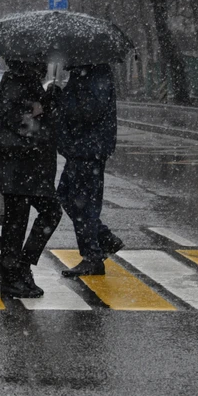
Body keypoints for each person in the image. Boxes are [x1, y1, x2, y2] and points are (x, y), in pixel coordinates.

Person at [0, 60, 63, 298]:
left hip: (28, 166)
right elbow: (12, 117)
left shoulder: (27, 80)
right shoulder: (16, 80)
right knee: (20, 221)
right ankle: (13, 275)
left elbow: (40, 123)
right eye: (42, 56)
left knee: (30, 217)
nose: (46, 61)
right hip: (17, 165)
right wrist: (35, 108)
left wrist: (49, 102)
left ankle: (21, 268)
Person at [54, 63, 124, 277]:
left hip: (87, 148)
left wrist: (62, 98)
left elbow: (89, 110)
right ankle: (103, 238)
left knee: (83, 203)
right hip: (82, 147)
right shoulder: (85, 73)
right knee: (66, 196)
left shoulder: (95, 74)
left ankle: (92, 257)